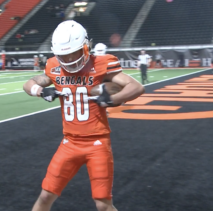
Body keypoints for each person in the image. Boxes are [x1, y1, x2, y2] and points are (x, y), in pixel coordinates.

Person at [23, 20, 144, 211]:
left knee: (103, 205)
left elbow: (136, 87)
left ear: (86, 46)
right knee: (46, 195)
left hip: (97, 143)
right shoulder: (54, 66)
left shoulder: (101, 63)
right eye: (64, 54)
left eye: (74, 52)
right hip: (69, 142)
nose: (70, 58)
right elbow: (29, 83)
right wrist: (40, 90)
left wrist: (112, 99)